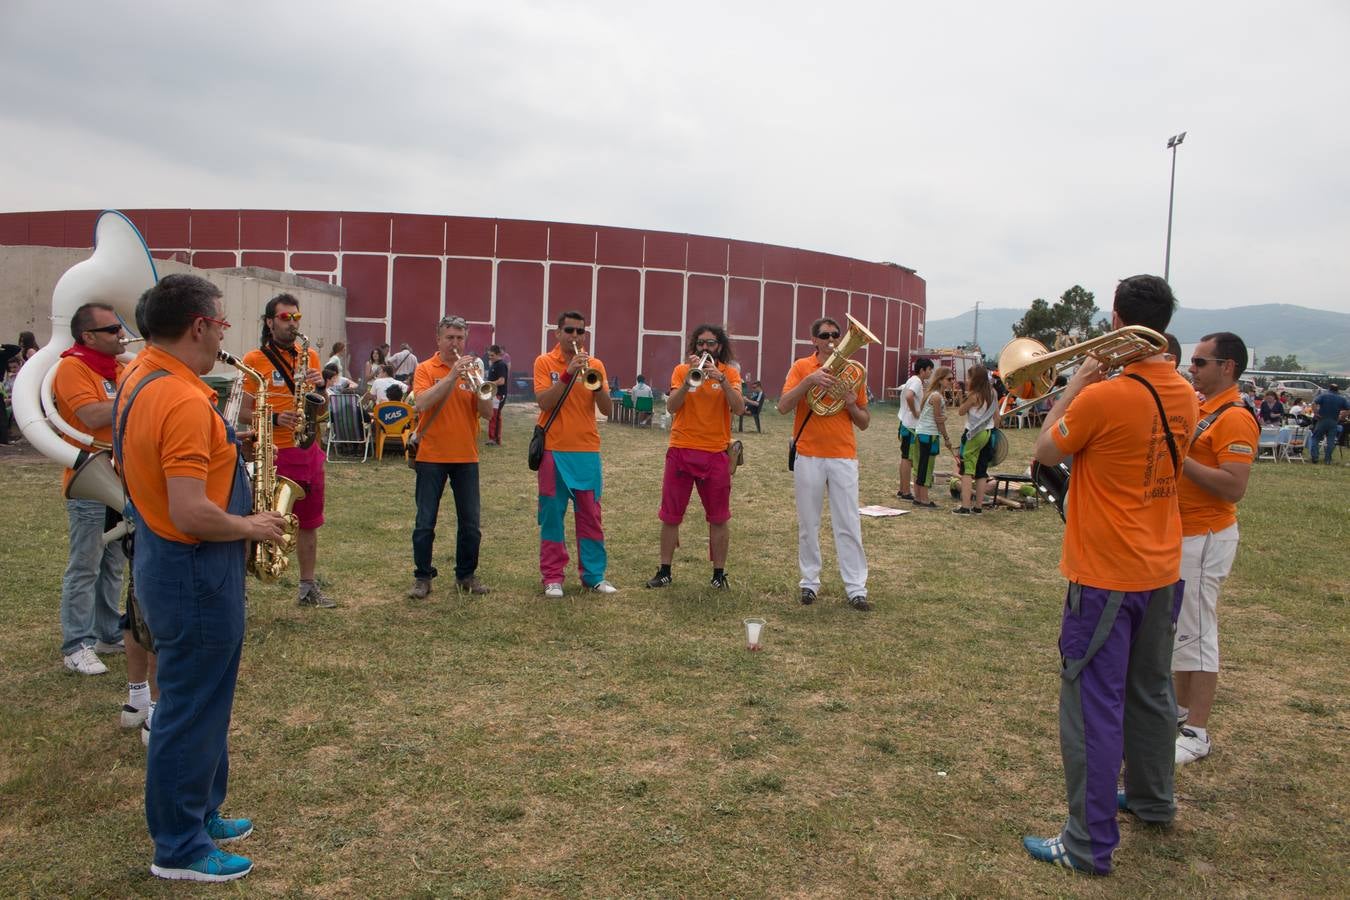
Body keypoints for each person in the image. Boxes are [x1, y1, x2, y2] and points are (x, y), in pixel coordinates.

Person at [1022, 274, 1199, 875]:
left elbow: (1045, 450)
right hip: (1162, 570)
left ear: (1120, 322)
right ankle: (1153, 799)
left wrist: (1075, 384)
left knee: (1092, 703)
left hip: (1104, 574)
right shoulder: (1185, 391)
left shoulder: (1104, 395)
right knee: (1151, 692)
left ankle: (1087, 843)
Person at [116, 273, 287, 882]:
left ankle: (201, 809)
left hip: (170, 560)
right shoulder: (184, 399)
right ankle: (180, 848)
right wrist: (252, 527)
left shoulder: (142, 376)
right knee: (189, 706)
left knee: (204, 700)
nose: (223, 333)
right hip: (194, 565)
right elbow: (190, 511)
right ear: (199, 326)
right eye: (221, 322)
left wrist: (224, 449)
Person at [1173, 332, 1259, 766]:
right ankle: (1181, 711)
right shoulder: (1203, 406)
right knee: (1182, 627)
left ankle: (1197, 731)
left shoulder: (1235, 417)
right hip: (1185, 532)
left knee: (1199, 630)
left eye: (1201, 363)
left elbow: (1234, 487)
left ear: (1228, 367)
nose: (1193, 368)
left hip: (1206, 535)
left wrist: (1180, 459)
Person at [240, 294, 335, 609]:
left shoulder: (310, 356)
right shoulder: (254, 359)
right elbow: (241, 410)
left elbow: (323, 409)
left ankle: (307, 587)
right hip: (274, 452)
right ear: (269, 322)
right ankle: (240, 589)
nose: (292, 323)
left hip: (309, 449)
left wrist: (321, 389)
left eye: (296, 317)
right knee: (256, 520)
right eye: (284, 318)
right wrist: (275, 417)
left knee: (310, 521)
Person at [52, 302, 128, 675]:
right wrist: (134, 398)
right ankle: (76, 643)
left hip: (119, 475)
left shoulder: (119, 367)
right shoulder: (71, 367)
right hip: (89, 477)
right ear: (88, 336)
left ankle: (108, 632)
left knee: (114, 561)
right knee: (86, 564)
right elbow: (92, 415)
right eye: (112, 329)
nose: (121, 334)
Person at [778, 317, 871, 610]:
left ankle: (856, 588)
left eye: (836, 335)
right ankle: (809, 583)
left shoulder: (854, 371)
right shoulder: (801, 367)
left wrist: (851, 403)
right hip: (809, 454)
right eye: (825, 335)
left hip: (843, 455)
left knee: (849, 523)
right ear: (813, 340)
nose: (831, 340)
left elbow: (865, 422)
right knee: (809, 522)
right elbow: (782, 407)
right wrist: (809, 382)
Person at [645, 325, 744, 590]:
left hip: (715, 453)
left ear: (719, 347)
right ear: (694, 345)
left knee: (719, 517)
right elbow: (672, 407)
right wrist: (689, 380)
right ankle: (664, 570)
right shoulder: (681, 371)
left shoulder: (730, 373)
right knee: (670, 515)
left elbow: (739, 407)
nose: (705, 349)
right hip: (681, 449)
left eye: (711, 344)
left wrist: (721, 380)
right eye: (700, 343)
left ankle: (719, 574)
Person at [407, 316, 495, 599]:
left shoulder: (474, 370)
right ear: (438, 339)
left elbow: (486, 413)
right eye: (450, 337)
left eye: (460, 338)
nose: (455, 343)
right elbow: (421, 403)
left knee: (470, 522)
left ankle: (466, 575)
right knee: (425, 521)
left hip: (466, 456)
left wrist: (482, 388)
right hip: (431, 455)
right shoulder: (424, 369)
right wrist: (450, 376)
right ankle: (422, 577)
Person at [533, 310, 617, 597]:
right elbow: (544, 401)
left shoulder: (596, 365)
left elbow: (606, 410)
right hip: (553, 451)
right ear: (557, 333)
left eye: (580, 331)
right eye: (569, 330)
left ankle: (593, 575)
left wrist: (596, 385)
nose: (575, 336)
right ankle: (553, 577)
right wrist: (568, 373)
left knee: (591, 516)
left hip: (587, 451)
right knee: (552, 515)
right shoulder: (544, 362)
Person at [910, 366, 958, 509]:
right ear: (940, 379)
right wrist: (947, 438)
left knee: (919, 466)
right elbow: (938, 420)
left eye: (952, 379)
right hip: (929, 435)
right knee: (926, 467)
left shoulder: (930, 393)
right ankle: (924, 499)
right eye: (949, 379)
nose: (951, 381)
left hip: (921, 433)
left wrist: (942, 418)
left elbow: (935, 417)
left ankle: (918, 497)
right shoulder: (937, 396)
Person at [954, 365, 998, 515]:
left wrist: (961, 396)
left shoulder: (974, 396)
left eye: (969, 377)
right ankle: (978, 507)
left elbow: (961, 411)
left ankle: (965, 506)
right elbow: (997, 417)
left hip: (974, 433)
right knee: (981, 471)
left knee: (967, 470)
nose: (967, 380)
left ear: (976, 379)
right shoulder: (993, 393)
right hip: (988, 432)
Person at [896, 357, 933, 500]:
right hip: (910, 425)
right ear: (922, 370)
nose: (930, 372)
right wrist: (915, 412)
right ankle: (905, 491)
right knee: (908, 458)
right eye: (929, 369)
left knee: (906, 457)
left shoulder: (913, 380)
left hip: (906, 423)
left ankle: (902, 489)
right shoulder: (917, 381)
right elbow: (909, 396)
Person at [1307, 384, 1349, 464]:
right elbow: (1348, 409)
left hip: (1322, 419)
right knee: (1331, 441)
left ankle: (1315, 457)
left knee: (1315, 438)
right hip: (1334, 421)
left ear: (1329, 388)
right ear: (1337, 390)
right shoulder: (1342, 398)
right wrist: (1342, 416)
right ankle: (1327, 460)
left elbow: (1313, 403)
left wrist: (1316, 413)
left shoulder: (1324, 395)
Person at [485, 344, 508, 446]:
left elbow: (501, 381)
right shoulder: (494, 364)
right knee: (494, 415)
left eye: (492, 355)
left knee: (494, 416)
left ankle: (493, 439)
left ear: (499, 354)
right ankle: (494, 438)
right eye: (489, 355)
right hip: (493, 393)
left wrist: (488, 384)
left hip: (499, 394)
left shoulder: (501, 365)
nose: (490, 358)